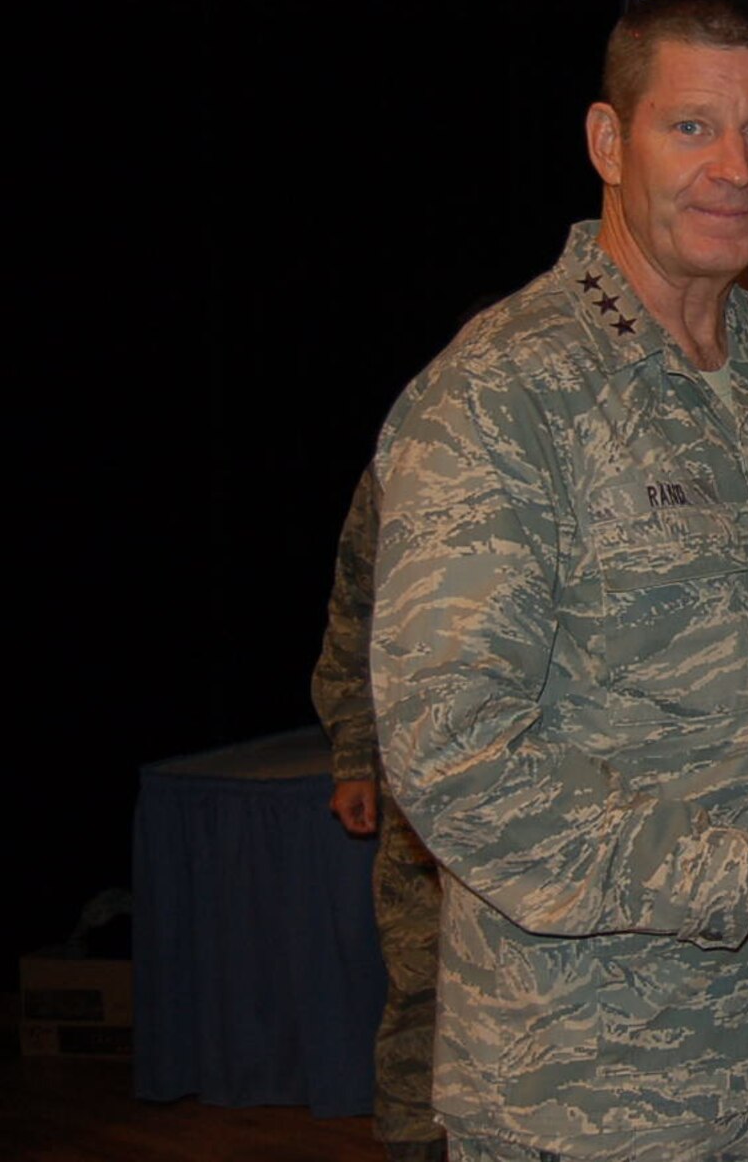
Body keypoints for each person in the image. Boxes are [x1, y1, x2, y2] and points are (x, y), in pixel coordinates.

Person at [369, 0, 748, 1162]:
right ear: (606, 141)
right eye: (691, 126)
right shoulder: (500, 394)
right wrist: (744, 881)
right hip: (588, 1087)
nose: (734, 166)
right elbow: (454, 755)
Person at [312, 466, 447, 1162]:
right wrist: (354, 756)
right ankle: (413, 1146)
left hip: (559, 776)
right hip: (423, 782)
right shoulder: (409, 458)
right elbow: (355, 608)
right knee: (424, 982)